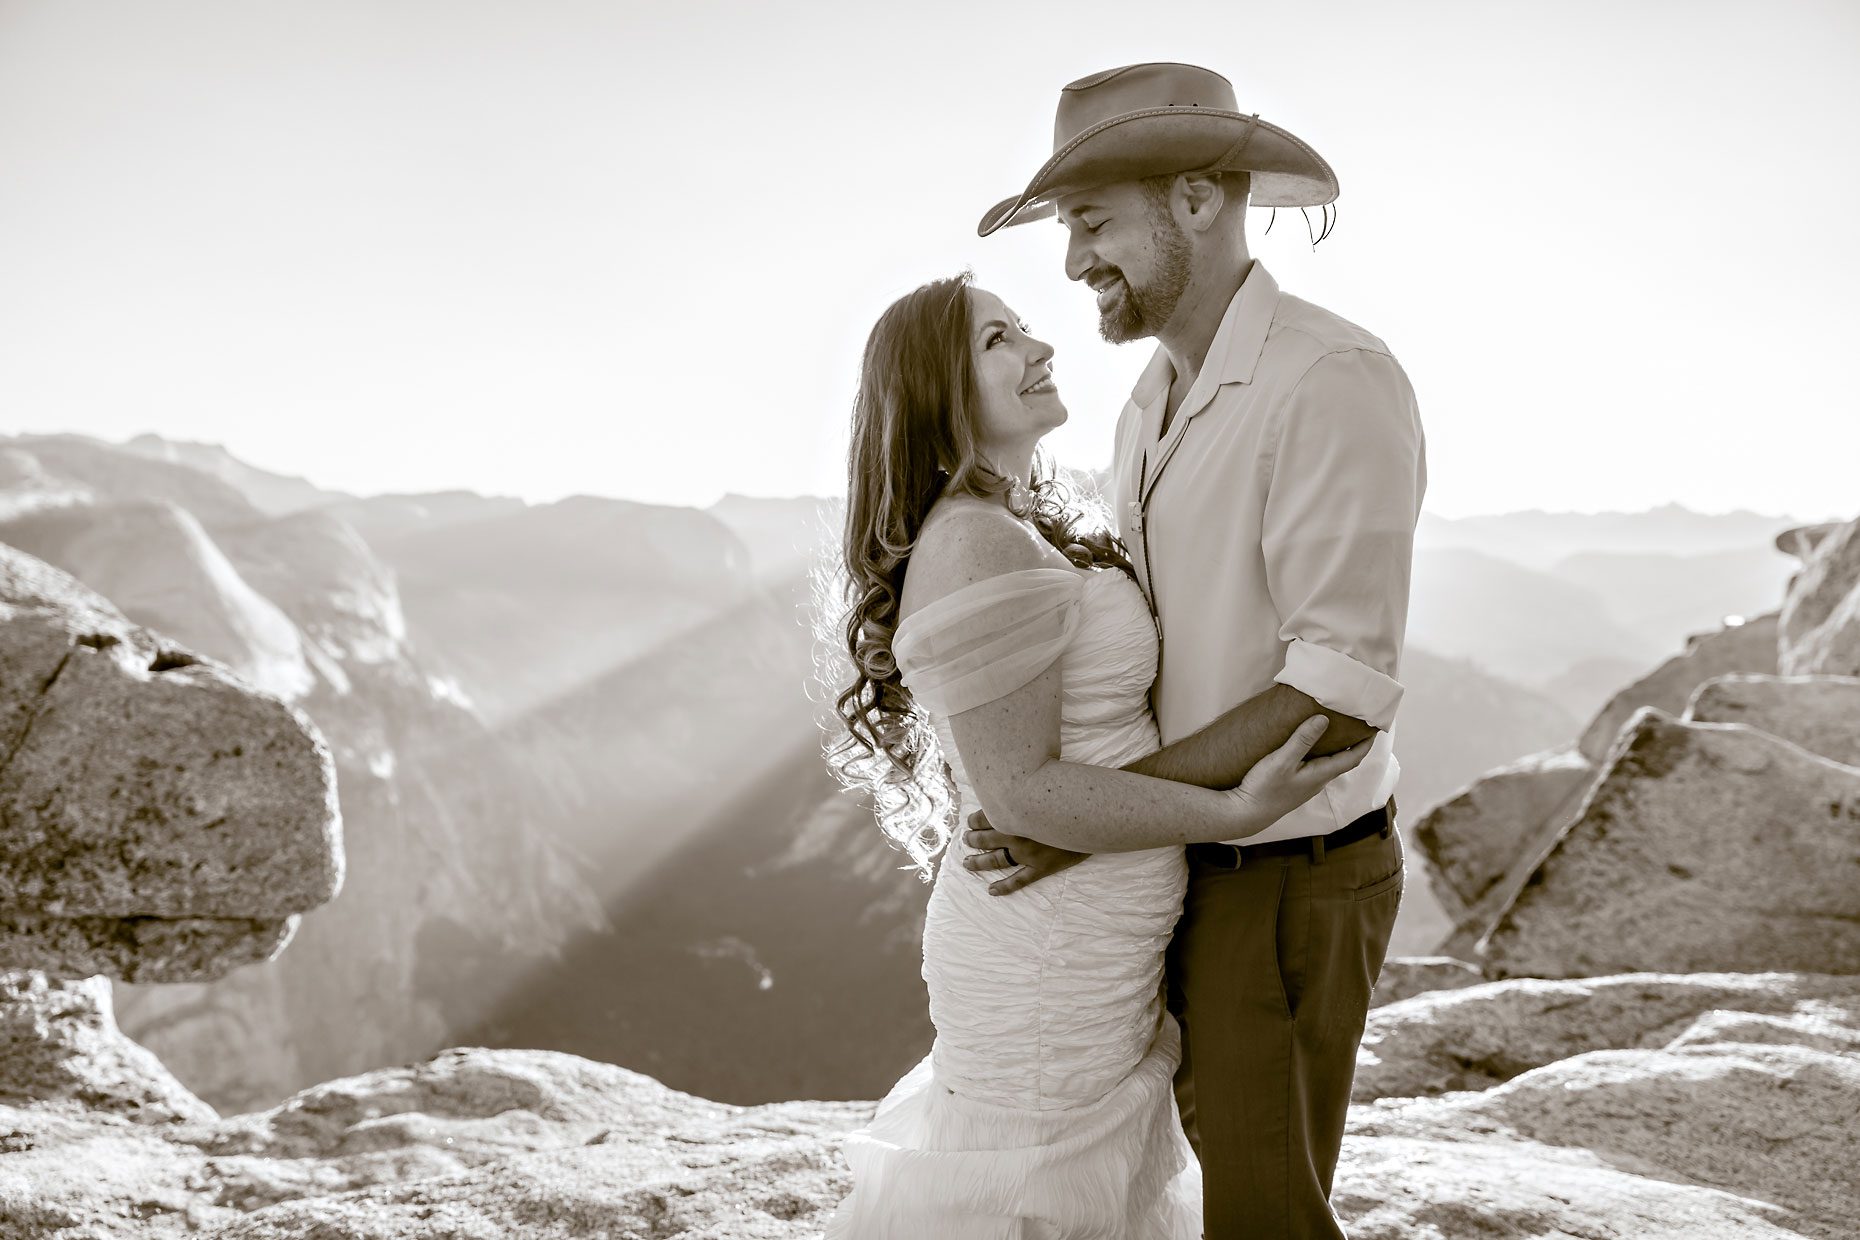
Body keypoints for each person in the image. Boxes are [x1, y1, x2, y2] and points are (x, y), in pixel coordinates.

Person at [963, 62, 1428, 1238]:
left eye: (1091, 222)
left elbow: (1338, 692)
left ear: (1197, 200)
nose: (1073, 264)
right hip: (1187, 870)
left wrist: (1079, 811)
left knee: (1264, 1214)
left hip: (1284, 874)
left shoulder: (1330, 380)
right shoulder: (1145, 401)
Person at [819, 271, 1372, 1238]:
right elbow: (1024, 793)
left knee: (1082, 1192)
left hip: (1092, 943)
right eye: (998, 340)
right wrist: (1233, 813)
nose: (1037, 348)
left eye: (1025, 329)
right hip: (1046, 948)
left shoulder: (1022, 520)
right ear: (935, 394)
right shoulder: (978, 543)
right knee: (1032, 1191)